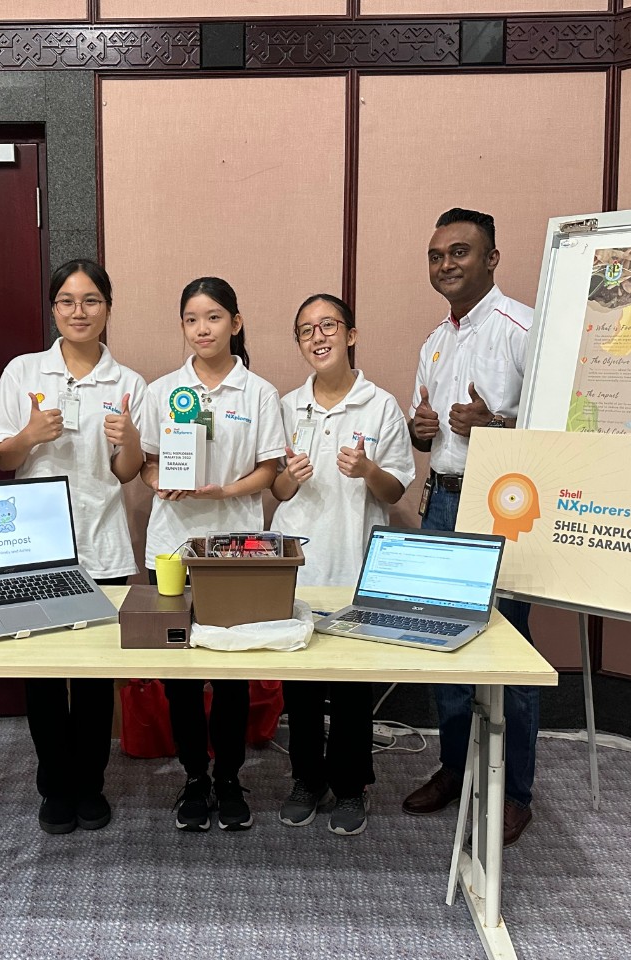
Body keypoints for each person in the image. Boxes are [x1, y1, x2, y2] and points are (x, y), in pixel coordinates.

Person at [0, 259, 148, 835]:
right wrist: (29, 436)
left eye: (90, 301)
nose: (78, 312)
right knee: (41, 673)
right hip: (35, 547)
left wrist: (129, 439)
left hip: (103, 545)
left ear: (108, 308)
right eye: (66, 301)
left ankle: (91, 784)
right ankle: (53, 785)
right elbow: (1, 459)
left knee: (91, 675)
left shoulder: (128, 383)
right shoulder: (23, 371)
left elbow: (129, 473)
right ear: (52, 308)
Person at [401, 207, 539, 846]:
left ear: (492, 259)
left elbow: (557, 438)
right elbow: (418, 429)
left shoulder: (522, 329)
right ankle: (457, 768)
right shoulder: (435, 341)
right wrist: (419, 433)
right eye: (437, 255)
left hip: (503, 506)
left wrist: (498, 428)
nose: (446, 264)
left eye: (459, 252)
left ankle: (513, 792)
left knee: (505, 653)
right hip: (443, 501)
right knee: (443, 643)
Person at [140, 277, 285, 831]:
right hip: (171, 548)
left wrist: (219, 492)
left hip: (234, 549)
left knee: (230, 673)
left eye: (214, 318)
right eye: (192, 319)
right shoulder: (161, 391)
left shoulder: (260, 393)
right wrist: (163, 482)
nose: (203, 329)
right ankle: (193, 778)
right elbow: (148, 463)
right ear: (183, 326)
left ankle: (229, 777)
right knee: (178, 669)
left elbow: (270, 472)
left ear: (236, 323)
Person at [270, 294, 414, 836]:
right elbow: (276, 491)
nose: (318, 337)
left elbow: (396, 488)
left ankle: (352, 785)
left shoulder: (380, 405)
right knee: (302, 682)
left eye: (328, 325)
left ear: (351, 335)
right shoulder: (287, 406)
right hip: (301, 561)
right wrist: (292, 477)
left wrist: (368, 469)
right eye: (306, 330)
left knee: (353, 683)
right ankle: (307, 779)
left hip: (355, 560)